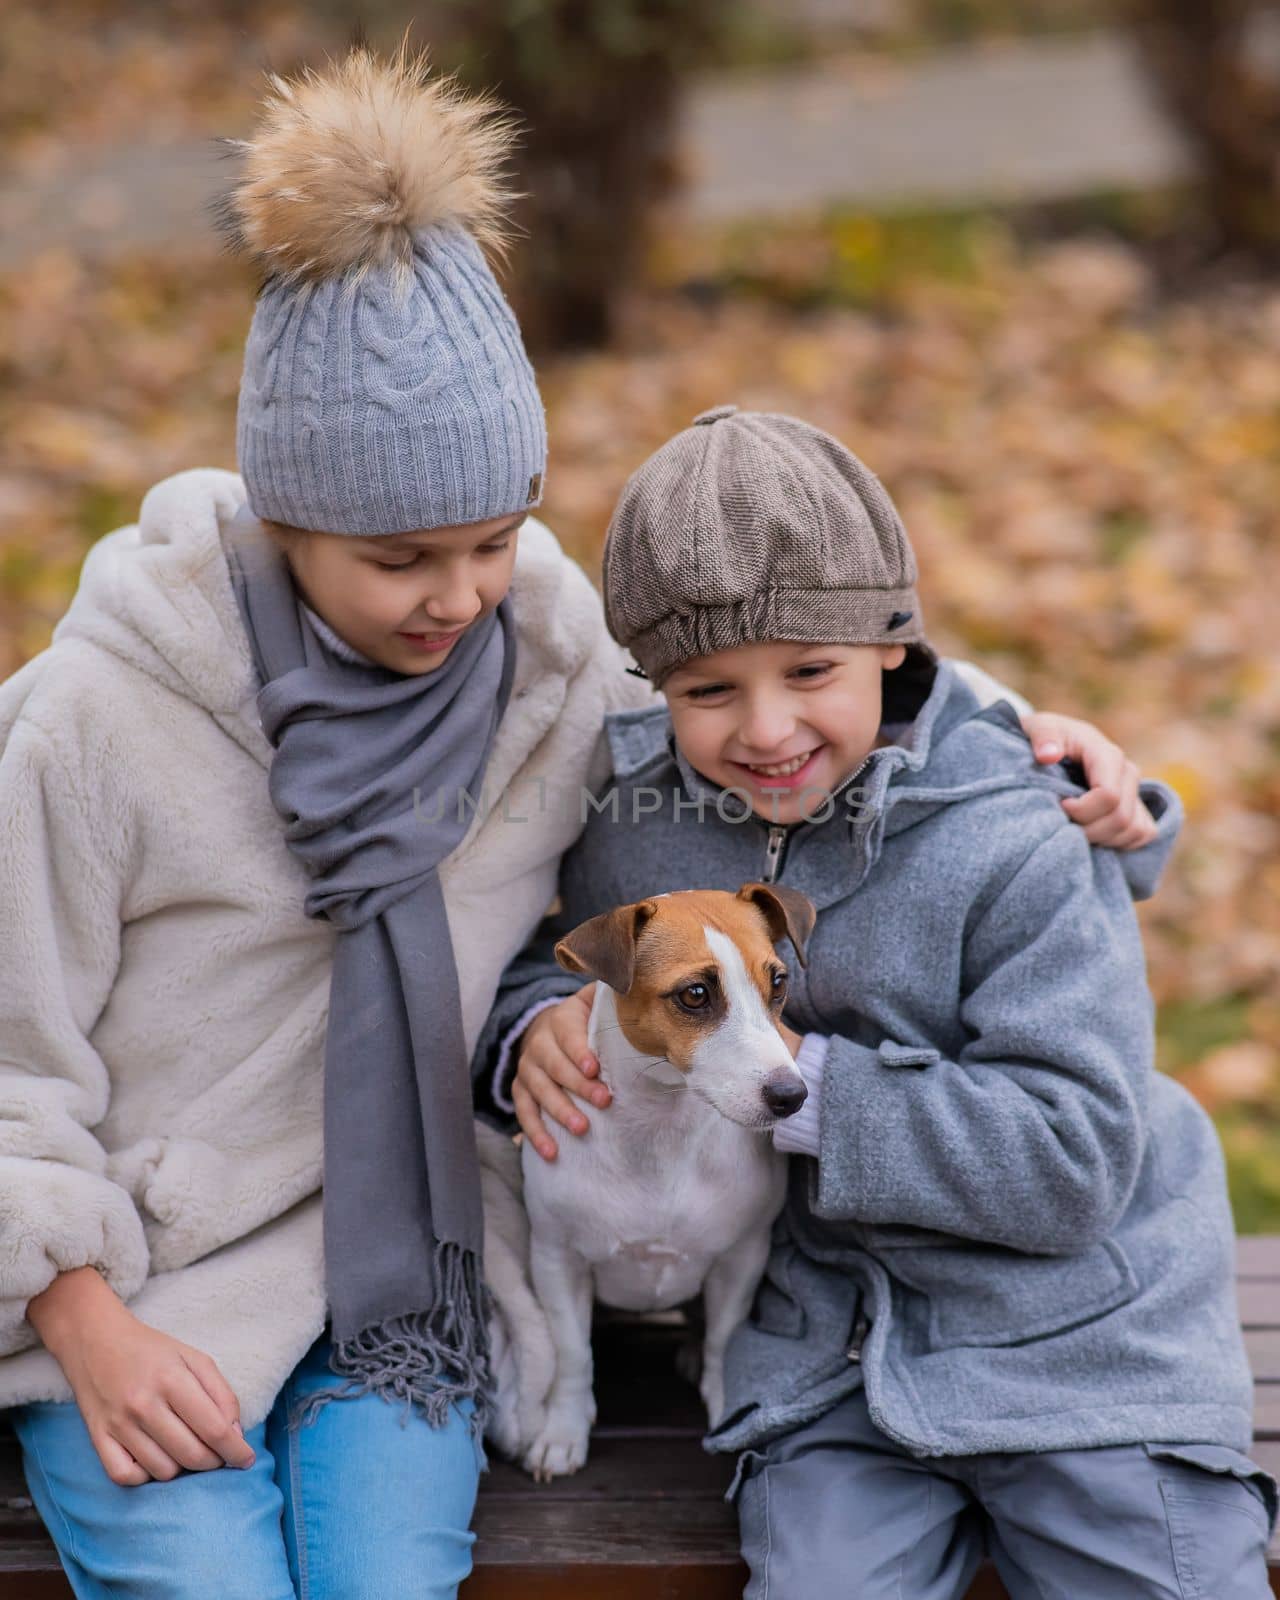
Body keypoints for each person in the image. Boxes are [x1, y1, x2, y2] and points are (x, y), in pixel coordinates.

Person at [477, 406, 1274, 1599]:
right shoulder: (633, 819)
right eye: (705, 689)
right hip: (820, 1355)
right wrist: (531, 1025)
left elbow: (1076, 1152)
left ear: (890, 648)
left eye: (810, 671)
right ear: (655, 686)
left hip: (1084, 1348)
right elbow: (551, 957)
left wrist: (800, 1093)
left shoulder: (1018, 829)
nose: (763, 728)